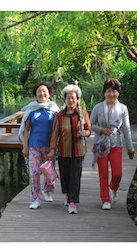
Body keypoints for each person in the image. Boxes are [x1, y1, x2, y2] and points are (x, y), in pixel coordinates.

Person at [89, 78, 134, 210]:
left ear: (118, 93)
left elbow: (126, 128)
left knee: (117, 173)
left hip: (116, 143)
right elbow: (91, 125)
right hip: (100, 144)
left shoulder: (123, 108)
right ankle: (105, 199)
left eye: (114, 91)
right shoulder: (97, 108)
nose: (111, 94)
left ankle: (114, 188)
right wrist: (101, 129)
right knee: (103, 173)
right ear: (104, 93)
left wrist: (130, 147)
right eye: (108, 91)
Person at [50, 84, 91, 214]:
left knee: (75, 176)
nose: (71, 101)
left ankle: (72, 202)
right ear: (65, 99)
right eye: (68, 98)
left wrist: (86, 133)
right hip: (63, 150)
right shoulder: (59, 116)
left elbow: (89, 129)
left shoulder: (83, 114)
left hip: (79, 151)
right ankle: (67, 194)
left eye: (73, 98)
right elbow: (54, 134)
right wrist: (52, 150)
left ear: (78, 99)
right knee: (65, 175)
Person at [20, 82, 59, 209]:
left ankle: (47, 191)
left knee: (49, 172)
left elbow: (59, 129)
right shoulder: (31, 109)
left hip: (49, 146)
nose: (42, 93)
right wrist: (25, 146)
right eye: (39, 91)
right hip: (34, 145)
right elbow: (25, 130)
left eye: (44, 91)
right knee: (34, 172)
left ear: (49, 93)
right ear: (35, 94)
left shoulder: (54, 109)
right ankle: (35, 198)